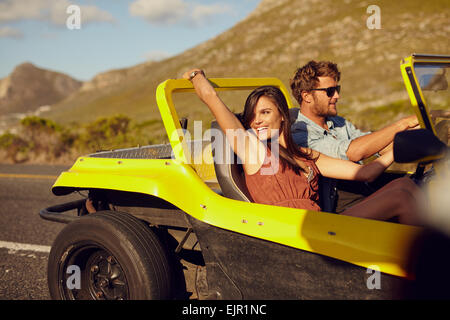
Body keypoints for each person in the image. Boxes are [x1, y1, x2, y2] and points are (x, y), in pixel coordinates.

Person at [183, 68, 423, 226]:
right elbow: (212, 100)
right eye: (252, 116)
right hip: (293, 232)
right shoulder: (254, 150)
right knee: (402, 198)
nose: (256, 121)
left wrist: (399, 147)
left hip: (322, 224)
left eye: (265, 112)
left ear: (283, 116)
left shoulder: (306, 154)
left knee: (403, 184)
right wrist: (196, 76)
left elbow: (366, 172)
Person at [289, 61, 420, 212]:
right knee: (403, 196)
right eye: (330, 91)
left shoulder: (336, 122)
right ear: (307, 96)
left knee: (417, 184)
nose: (337, 96)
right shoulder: (300, 135)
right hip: (340, 211)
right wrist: (402, 124)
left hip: (364, 194)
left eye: (337, 89)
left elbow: (375, 145)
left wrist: (414, 133)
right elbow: (353, 152)